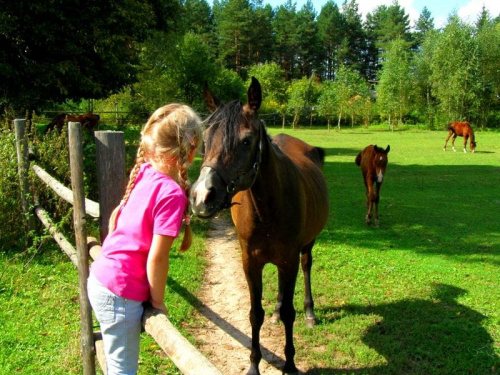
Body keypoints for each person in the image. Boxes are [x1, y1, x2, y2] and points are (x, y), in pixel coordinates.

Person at [87, 103, 203, 375]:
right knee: (122, 370)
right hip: (120, 294)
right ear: (191, 149)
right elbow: (158, 257)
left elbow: (121, 220)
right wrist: (158, 300)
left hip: (102, 279)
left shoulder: (145, 173)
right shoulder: (172, 194)